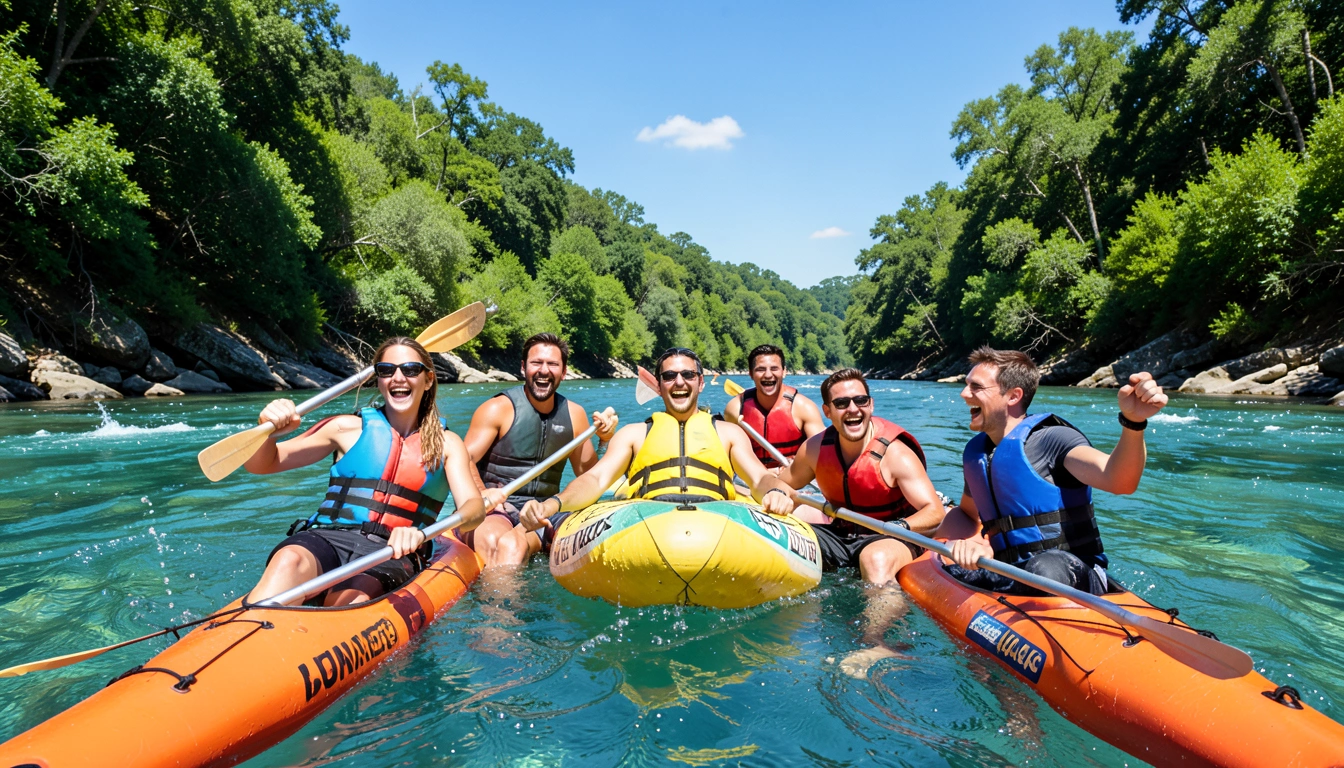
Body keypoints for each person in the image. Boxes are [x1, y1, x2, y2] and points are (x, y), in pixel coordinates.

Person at [244, 337, 485, 606]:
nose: (398, 377)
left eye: (410, 369)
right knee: (289, 559)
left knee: (353, 596)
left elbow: (473, 510)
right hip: (328, 537)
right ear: (378, 380)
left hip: (391, 550)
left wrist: (422, 534)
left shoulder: (447, 444)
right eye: (386, 370)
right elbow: (261, 464)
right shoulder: (345, 428)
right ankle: (243, 628)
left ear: (428, 380)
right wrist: (268, 433)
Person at [939, 347, 1168, 595]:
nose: (964, 394)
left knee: (1044, 567)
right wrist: (958, 546)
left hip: (1069, 573)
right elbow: (967, 513)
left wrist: (1133, 423)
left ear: (1013, 396)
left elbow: (1119, 480)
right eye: (966, 385)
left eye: (976, 387)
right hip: (1012, 573)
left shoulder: (1053, 439)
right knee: (953, 572)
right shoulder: (978, 453)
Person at [518, 347, 794, 532]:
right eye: (669, 376)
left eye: (688, 375)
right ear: (659, 386)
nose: (679, 382)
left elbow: (759, 479)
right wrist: (551, 504)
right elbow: (595, 480)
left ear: (700, 382)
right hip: (648, 525)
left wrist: (776, 492)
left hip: (718, 523)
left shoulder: (729, 432)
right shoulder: (633, 434)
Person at [463, 333, 617, 566]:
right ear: (524, 368)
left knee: (514, 545)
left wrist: (604, 440)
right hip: (497, 509)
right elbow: (464, 459)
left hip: (543, 512)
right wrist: (481, 493)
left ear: (564, 372)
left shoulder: (575, 416)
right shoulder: (497, 409)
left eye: (553, 364)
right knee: (499, 542)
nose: (544, 370)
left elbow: (591, 476)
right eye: (537, 363)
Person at [778, 368, 945, 584]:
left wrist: (898, 527)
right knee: (786, 539)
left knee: (874, 558)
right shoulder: (814, 449)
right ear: (827, 412)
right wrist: (777, 493)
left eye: (861, 400)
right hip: (841, 535)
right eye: (841, 403)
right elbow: (781, 484)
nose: (853, 409)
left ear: (871, 405)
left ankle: (882, 617)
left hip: (894, 537)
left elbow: (935, 512)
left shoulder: (896, 454)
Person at [723, 344, 826, 470]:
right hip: (752, 479)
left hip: (794, 479)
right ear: (750, 373)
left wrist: (798, 465)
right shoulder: (735, 408)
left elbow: (823, 454)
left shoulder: (804, 408)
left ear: (784, 372)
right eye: (760, 369)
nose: (768, 375)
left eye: (774, 368)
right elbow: (726, 455)